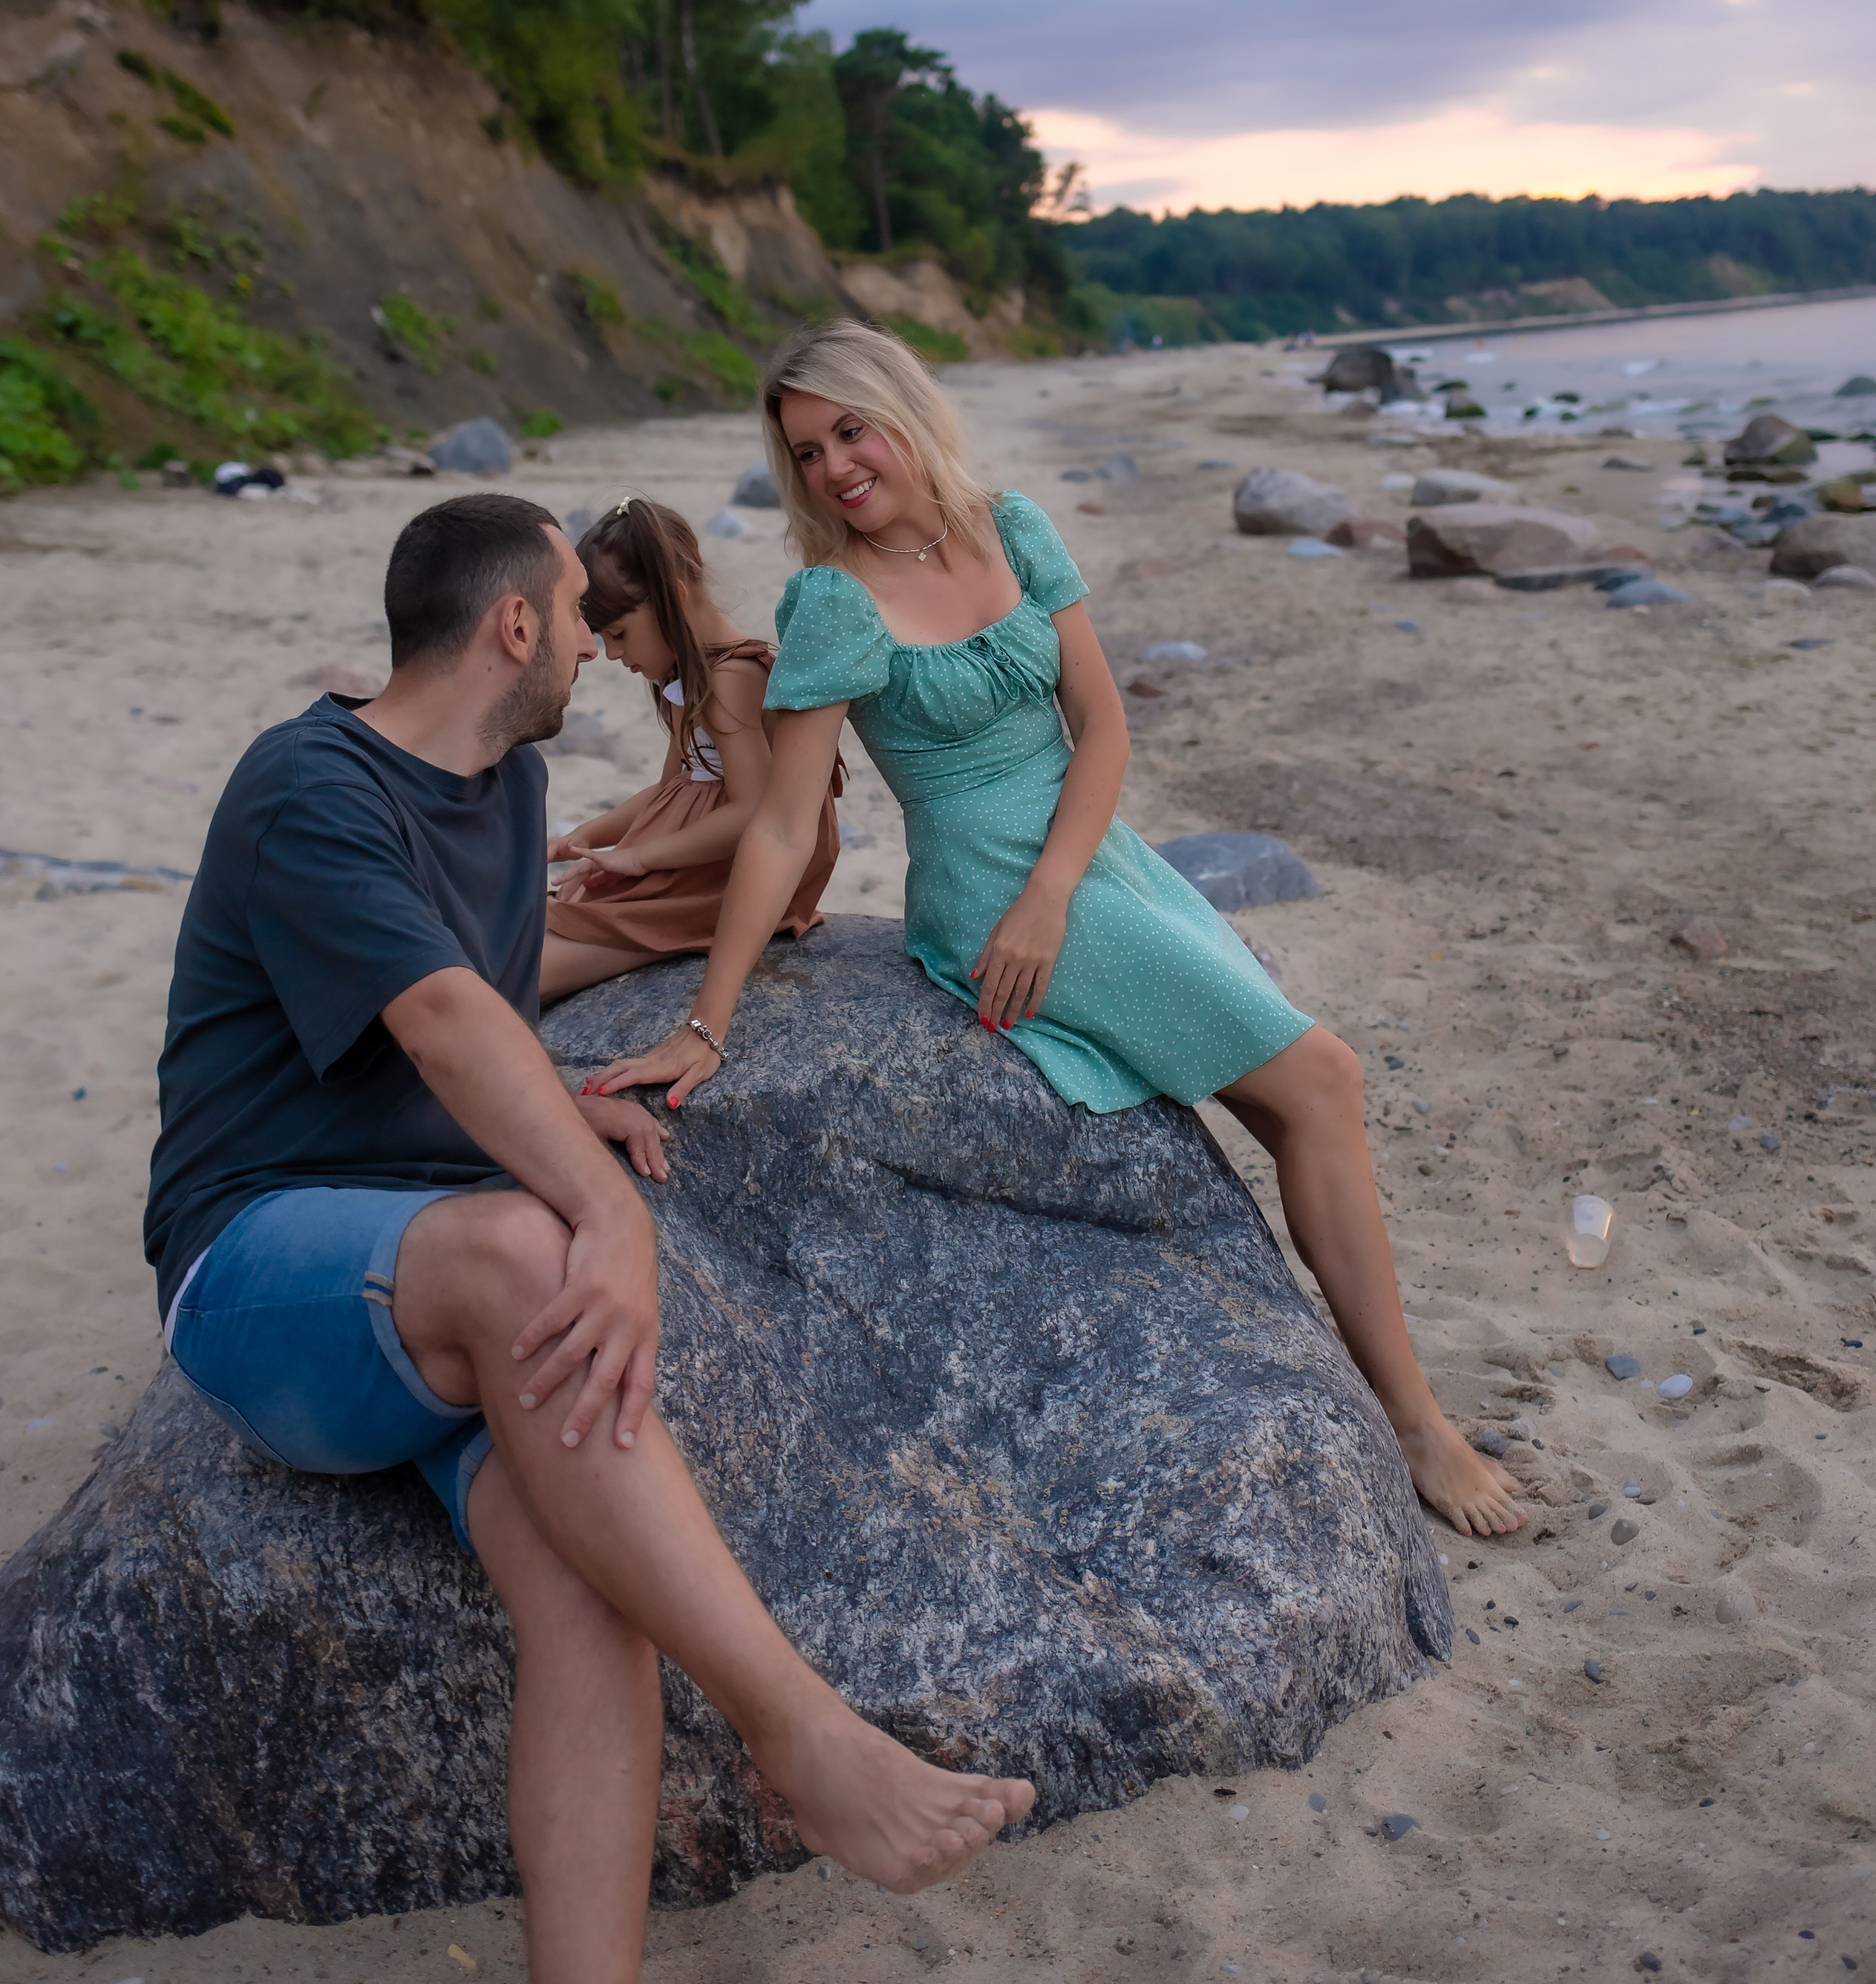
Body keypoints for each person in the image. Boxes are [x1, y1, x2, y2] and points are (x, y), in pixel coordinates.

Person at [143, 490, 1033, 1984]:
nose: (587, 646)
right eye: (570, 616)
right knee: (527, 1249)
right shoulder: (312, 784)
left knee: (591, 1598)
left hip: (430, 1280)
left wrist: (562, 1100)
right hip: (262, 1271)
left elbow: (464, 1019)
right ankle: (797, 1731)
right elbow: (434, 1018)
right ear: (509, 628)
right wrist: (600, 1206)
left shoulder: (501, 790)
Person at [586, 326, 1526, 1544]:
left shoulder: (1012, 527)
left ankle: (1393, 1399)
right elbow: (776, 828)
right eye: (805, 452)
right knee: (1322, 1077)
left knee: (1301, 1094)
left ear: (902, 411)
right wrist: (708, 1022)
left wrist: (1060, 889)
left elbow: (1104, 729)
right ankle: (1414, 1421)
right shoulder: (831, 601)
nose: (832, 469)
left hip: (1089, 866)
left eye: (849, 431)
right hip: (981, 881)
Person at [540, 497, 839, 1010]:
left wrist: (637, 856)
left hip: (722, 876)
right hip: (685, 862)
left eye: (618, 633)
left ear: (673, 599)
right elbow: (672, 787)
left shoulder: (732, 679)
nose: (613, 654)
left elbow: (753, 809)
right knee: (541, 919)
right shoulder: (691, 676)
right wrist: (591, 835)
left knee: (534, 965)